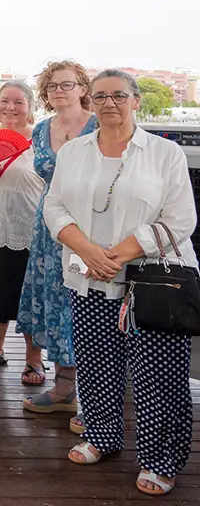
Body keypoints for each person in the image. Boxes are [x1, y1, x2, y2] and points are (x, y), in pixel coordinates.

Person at [45, 69, 195, 497]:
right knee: (95, 363)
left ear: (136, 101)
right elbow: (54, 207)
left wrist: (117, 255)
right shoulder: (73, 152)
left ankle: (159, 459)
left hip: (151, 284)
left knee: (159, 373)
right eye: (101, 96)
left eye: (119, 95)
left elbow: (181, 219)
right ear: (89, 103)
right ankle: (101, 437)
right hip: (88, 275)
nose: (109, 103)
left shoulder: (165, 154)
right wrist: (89, 252)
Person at [17, 60, 96, 429]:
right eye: (52, 86)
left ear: (83, 88)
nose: (59, 91)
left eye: (67, 85)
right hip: (48, 229)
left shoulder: (99, 125)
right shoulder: (41, 130)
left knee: (88, 306)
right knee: (57, 303)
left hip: (92, 225)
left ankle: (96, 398)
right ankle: (64, 388)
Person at [0, 81, 46, 380]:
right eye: (4, 101)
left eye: (18, 102)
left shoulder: (42, 143)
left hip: (29, 226)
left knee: (28, 293)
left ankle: (34, 358)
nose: (10, 107)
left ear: (30, 108)